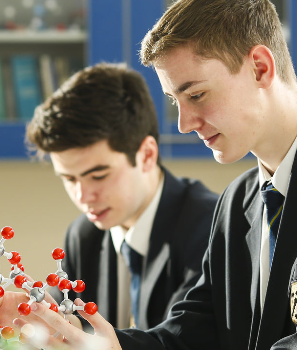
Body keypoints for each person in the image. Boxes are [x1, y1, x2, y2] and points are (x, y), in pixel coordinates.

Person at [5, 1, 297, 349]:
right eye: (176, 101)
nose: (184, 123)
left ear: (259, 66)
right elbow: (198, 329)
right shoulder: (242, 199)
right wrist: (114, 346)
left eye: (196, 95)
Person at [25, 63, 219, 330]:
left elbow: (178, 342)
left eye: (99, 175)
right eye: (69, 179)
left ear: (147, 155)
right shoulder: (84, 236)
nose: (83, 197)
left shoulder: (211, 230)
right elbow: (58, 323)